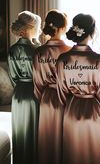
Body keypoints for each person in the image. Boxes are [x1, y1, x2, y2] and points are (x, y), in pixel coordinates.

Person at [56, 13, 100, 164]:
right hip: (93, 112)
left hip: (71, 110)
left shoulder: (63, 60)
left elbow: (61, 93)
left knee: (72, 153)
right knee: (94, 154)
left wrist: (69, 106)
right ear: (92, 32)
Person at [33, 10, 71, 164]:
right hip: (67, 99)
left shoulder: (39, 52)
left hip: (47, 98)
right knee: (66, 137)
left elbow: (37, 83)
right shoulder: (69, 51)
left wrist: (43, 98)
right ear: (63, 27)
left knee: (48, 137)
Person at [8, 10, 41, 164]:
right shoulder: (37, 50)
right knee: (33, 130)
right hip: (34, 92)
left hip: (18, 93)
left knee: (19, 129)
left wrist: (21, 85)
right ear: (29, 28)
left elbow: (13, 76)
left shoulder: (12, 49)